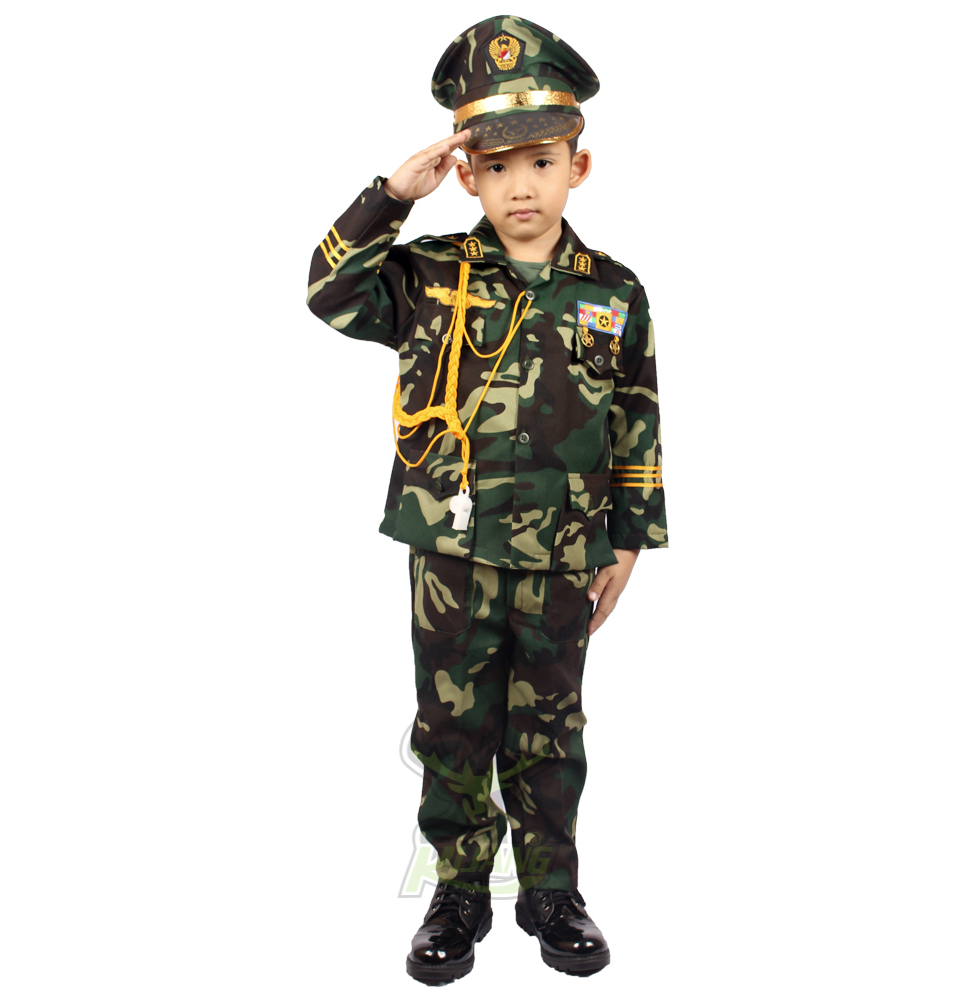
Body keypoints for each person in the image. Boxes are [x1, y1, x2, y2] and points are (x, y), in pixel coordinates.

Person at [305, 15, 667, 984]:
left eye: (540, 162)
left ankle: (552, 889)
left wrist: (629, 539)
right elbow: (327, 292)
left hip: (564, 552)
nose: (520, 186)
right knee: (452, 725)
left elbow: (637, 417)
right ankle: (459, 890)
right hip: (452, 553)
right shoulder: (429, 276)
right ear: (465, 175)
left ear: (577, 167)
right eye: (496, 166)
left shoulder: (614, 291)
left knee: (552, 727)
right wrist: (391, 197)